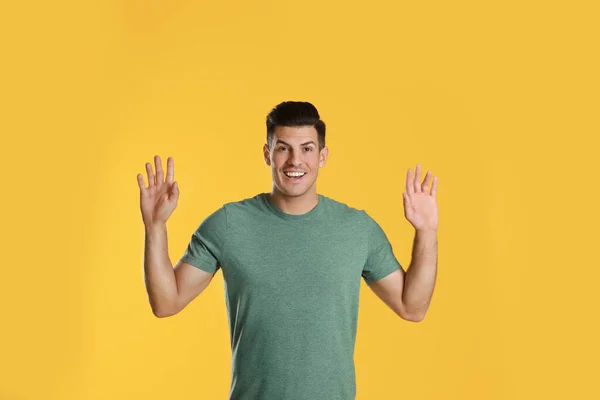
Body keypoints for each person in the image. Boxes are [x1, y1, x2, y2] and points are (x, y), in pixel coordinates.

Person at [137, 101, 439, 400]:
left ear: (322, 156)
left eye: (307, 148)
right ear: (268, 154)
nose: (295, 161)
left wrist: (426, 232)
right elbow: (167, 302)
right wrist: (155, 226)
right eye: (284, 148)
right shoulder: (229, 224)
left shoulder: (357, 228)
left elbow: (412, 307)